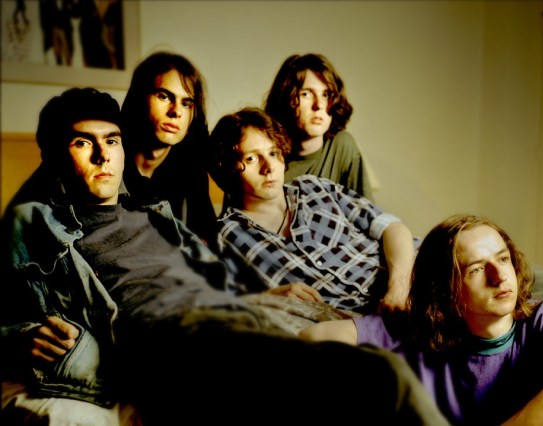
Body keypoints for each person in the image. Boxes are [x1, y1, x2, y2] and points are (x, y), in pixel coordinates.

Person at [0, 88, 450, 425]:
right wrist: (19, 337)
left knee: (382, 375)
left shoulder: (157, 214)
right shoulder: (33, 221)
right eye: (82, 143)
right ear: (54, 158)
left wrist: (263, 300)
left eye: (112, 140)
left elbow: (215, 282)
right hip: (168, 343)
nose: (104, 155)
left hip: (226, 321)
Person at [300, 214, 543, 425]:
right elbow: (315, 337)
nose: (499, 276)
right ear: (445, 288)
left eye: (503, 259)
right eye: (476, 269)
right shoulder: (415, 329)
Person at [209, 107, 416, 315]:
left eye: (273, 153)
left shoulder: (313, 187)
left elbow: (391, 227)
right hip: (364, 318)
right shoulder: (225, 237)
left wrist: (399, 286)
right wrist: (267, 297)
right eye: (251, 159)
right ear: (227, 167)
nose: (269, 167)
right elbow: (210, 301)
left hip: (413, 275)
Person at [121, 51, 218, 248]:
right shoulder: (106, 157)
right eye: (164, 96)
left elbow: (207, 241)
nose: (176, 112)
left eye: (186, 103)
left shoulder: (192, 168)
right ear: (139, 97)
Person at [264, 52, 375, 200]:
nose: (319, 105)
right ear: (285, 98)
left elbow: (366, 212)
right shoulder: (266, 157)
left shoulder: (342, 146)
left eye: (326, 94)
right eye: (306, 94)